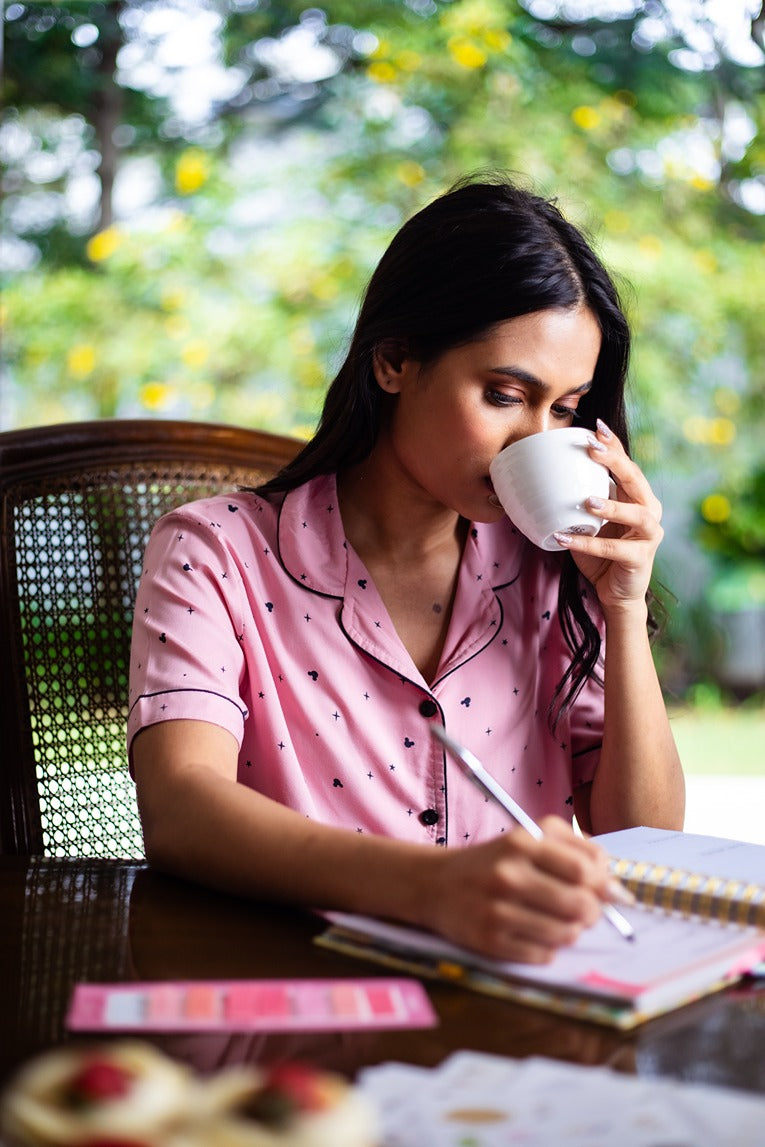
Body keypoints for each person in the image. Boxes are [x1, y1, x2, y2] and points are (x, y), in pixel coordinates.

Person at [128, 174, 685, 965]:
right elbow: (182, 808)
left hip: (521, 1007)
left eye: (563, 410)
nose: (534, 440)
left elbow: (647, 845)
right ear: (394, 362)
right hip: (304, 998)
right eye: (502, 394)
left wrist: (623, 610)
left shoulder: (556, 572)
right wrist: (433, 886)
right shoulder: (216, 552)